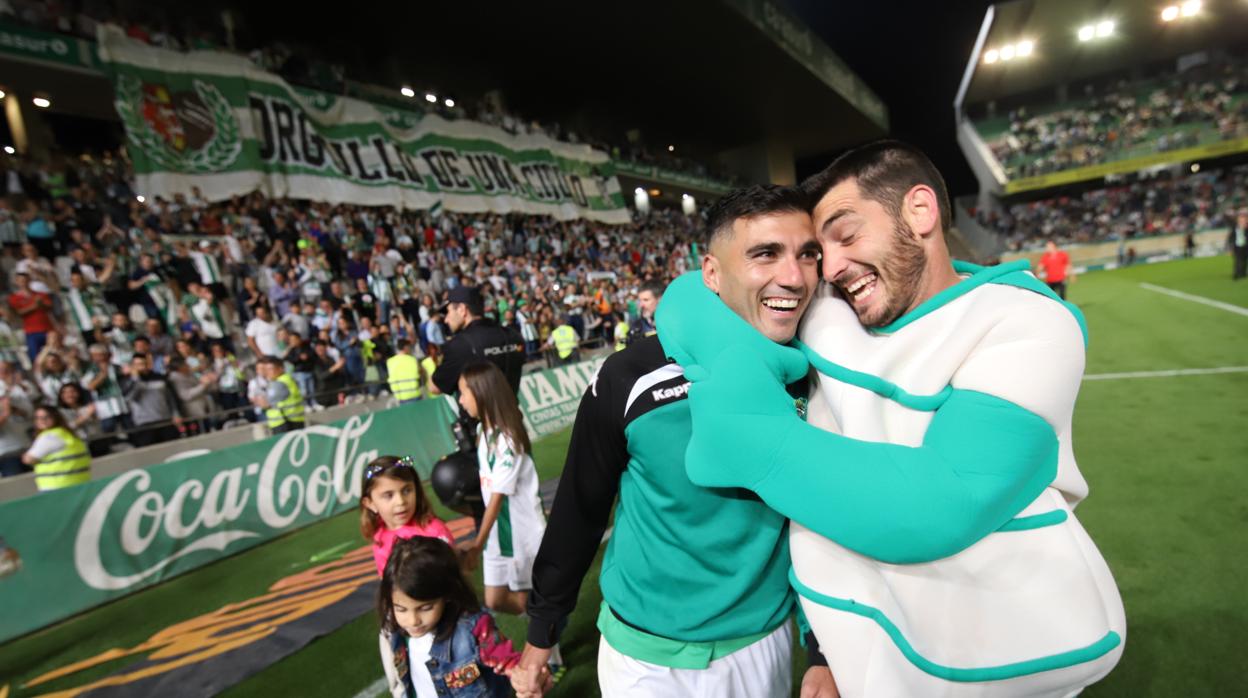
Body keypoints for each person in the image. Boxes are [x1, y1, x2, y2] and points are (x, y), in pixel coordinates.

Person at [659, 141, 1125, 697]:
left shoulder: (1026, 324)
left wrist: (758, 441)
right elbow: (691, 294)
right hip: (863, 665)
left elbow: (942, 502)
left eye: (846, 234)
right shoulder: (829, 312)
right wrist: (828, 649)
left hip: (995, 662)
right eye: (818, 250)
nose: (828, 267)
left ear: (920, 212)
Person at [512, 185, 827, 698]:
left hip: (760, 644)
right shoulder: (629, 377)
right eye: (765, 254)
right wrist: (541, 633)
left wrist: (821, 651)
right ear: (711, 272)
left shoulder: (818, 375)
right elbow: (580, 509)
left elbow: (822, 523)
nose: (793, 277)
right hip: (644, 660)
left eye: (807, 255)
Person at [456, 361, 552, 624]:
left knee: (525, 600)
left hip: (521, 535)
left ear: (481, 392)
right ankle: (545, 622)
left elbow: (498, 497)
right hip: (497, 535)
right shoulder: (481, 431)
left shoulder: (507, 439)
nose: (461, 400)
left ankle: (550, 656)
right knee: (494, 600)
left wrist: (477, 543)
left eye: (463, 392)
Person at [378, 536, 519, 698]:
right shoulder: (394, 628)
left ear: (447, 594)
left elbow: (509, 661)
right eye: (401, 609)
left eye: (425, 608)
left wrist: (521, 674)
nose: (413, 621)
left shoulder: (473, 630)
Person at [360, 454, 455, 576]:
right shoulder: (380, 538)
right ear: (370, 503)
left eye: (406, 490)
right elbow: (387, 584)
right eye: (388, 495)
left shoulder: (434, 530)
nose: (401, 501)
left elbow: (453, 575)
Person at [429, 286, 524, 397]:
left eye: (448, 312)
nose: (446, 319)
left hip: (477, 414)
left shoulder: (460, 345)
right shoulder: (512, 335)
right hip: (511, 410)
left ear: (462, 309)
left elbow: (435, 387)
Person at [22, 405, 91, 491]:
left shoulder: (49, 437)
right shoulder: (68, 434)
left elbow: (28, 459)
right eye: (37, 417)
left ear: (55, 417)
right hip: (80, 483)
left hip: (55, 487)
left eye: (46, 417)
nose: (42, 420)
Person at [122, 352, 184, 447]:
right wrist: (135, 378)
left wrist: (176, 414)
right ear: (133, 366)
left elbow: (171, 398)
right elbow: (130, 398)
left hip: (165, 420)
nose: (142, 367)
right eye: (138, 364)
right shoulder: (128, 382)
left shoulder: (160, 378)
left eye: (144, 363)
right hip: (144, 424)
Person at [8, 272, 55, 362]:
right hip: (32, 332)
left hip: (48, 329)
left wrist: (41, 304)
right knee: (36, 359)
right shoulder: (14, 298)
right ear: (16, 282)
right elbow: (17, 314)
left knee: (53, 355)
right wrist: (35, 306)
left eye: (25, 280)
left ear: (29, 280)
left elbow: (50, 307)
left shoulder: (40, 294)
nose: (24, 283)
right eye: (21, 281)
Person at [256, 356, 305, 434]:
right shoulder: (284, 379)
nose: (268, 372)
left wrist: (262, 401)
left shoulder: (280, 382)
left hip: (285, 421)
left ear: (280, 369)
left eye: (270, 369)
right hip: (291, 419)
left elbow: (267, 402)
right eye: (266, 370)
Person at [386, 338, 424, 405]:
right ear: (406, 347)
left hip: (399, 397)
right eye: (409, 347)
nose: (410, 349)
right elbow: (421, 373)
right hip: (414, 395)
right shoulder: (412, 360)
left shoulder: (390, 361)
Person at [1229, 209, 1248, 280]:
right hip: (1238, 246)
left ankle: (1243, 273)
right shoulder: (1235, 227)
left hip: (1245, 245)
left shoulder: (1245, 227)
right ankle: (1237, 274)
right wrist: (1230, 248)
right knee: (1238, 260)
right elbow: (1231, 237)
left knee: (1244, 260)